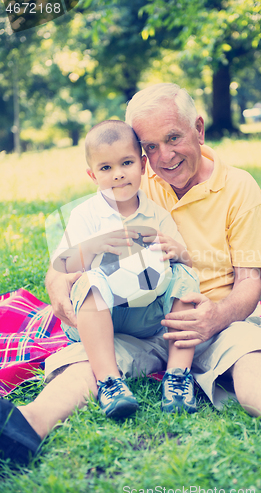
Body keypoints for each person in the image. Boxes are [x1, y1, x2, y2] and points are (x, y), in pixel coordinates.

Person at [1, 83, 261, 466]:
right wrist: (63, 297)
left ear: (199, 129)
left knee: (250, 349)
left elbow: (249, 283)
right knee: (85, 361)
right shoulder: (131, 183)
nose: (164, 157)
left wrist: (215, 318)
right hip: (132, 322)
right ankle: (23, 427)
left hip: (208, 320)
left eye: (173, 137)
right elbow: (63, 266)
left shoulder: (239, 187)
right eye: (151, 147)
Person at [51, 119, 200, 419]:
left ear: (143, 164)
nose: (118, 174)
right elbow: (62, 266)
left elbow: (186, 261)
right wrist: (96, 245)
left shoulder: (156, 215)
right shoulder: (86, 215)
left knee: (186, 275)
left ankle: (178, 376)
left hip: (147, 317)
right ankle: (110, 381)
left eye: (126, 163)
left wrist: (178, 250)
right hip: (98, 317)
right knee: (90, 279)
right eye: (106, 168)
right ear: (93, 175)